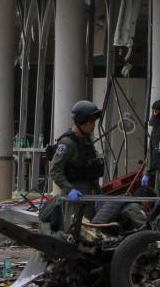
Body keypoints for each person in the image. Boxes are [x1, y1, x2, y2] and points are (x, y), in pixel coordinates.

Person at [49, 100, 104, 239]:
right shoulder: (67, 143)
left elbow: (90, 170)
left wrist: (98, 193)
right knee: (73, 229)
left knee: (89, 231)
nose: (93, 126)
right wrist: (69, 188)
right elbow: (55, 170)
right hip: (75, 193)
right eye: (91, 122)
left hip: (88, 193)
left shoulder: (86, 141)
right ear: (82, 121)